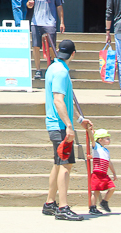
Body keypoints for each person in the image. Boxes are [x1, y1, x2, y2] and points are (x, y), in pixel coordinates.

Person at [42, 38, 92, 221]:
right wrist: (69, 126)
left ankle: (50, 203)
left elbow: (66, 100)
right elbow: (58, 100)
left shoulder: (52, 68)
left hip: (55, 124)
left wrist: (79, 119)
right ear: (73, 54)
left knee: (58, 164)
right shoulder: (62, 72)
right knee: (65, 165)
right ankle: (63, 207)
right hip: (60, 126)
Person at [27, 0, 65, 80]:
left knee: (51, 47)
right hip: (36, 21)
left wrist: (62, 22)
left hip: (50, 22)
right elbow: (28, 4)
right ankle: (38, 70)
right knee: (35, 46)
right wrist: (29, 4)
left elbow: (59, 6)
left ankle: (51, 66)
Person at [88, 127, 116, 215]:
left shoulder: (106, 151)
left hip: (104, 174)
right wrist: (89, 131)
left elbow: (109, 162)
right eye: (107, 138)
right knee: (96, 192)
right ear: (100, 140)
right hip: (97, 173)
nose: (109, 140)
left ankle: (104, 202)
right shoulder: (96, 147)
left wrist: (114, 173)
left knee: (112, 188)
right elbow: (92, 139)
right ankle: (92, 207)